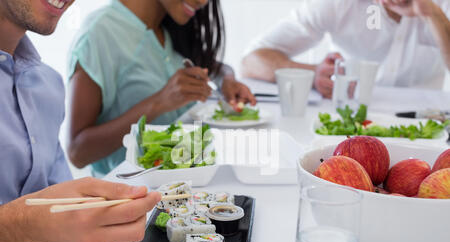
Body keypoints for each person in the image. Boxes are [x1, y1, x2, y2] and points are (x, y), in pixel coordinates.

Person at [0, 0, 161, 242]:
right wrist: (25, 225)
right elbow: (37, 222)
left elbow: (60, 206)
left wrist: (101, 212)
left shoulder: (47, 85)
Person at [67, 0, 257, 177]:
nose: (203, 2)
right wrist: (159, 102)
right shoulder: (99, 34)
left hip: (185, 185)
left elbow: (211, 65)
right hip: (132, 195)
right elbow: (77, 152)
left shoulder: (168, 25)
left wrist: (226, 78)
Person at [241, 0, 450, 98]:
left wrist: (433, 15)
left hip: (427, 129)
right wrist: (313, 73)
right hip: (351, 123)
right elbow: (251, 62)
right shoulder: (339, 4)